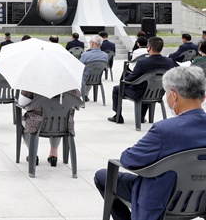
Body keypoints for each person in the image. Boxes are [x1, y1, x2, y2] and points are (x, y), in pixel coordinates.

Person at [95, 66, 206, 220]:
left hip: (162, 199)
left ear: (173, 96)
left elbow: (129, 160)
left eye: (166, 94)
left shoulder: (165, 130)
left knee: (103, 176)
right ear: (204, 96)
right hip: (201, 200)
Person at [109, 37, 177, 124]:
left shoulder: (142, 62)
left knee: (117, 89)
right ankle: (141, 116)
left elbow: (132, 78)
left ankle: (118, 116)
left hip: (139, 93)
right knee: (147, 88)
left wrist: (123, 81)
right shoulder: (169, 62)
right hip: (158, 93)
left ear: (149, 47)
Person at [18, 88, 81, 167]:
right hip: (63, 123)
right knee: (57, 119)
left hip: (37, 123)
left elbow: (22, 103)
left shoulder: (33, 83)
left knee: (24, 121)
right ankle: (53, 154)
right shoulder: (69, 85)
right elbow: (78, 103)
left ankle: (32, 154)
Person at [79, 35, 109, 101]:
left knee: (83, 73)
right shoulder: (105, 55)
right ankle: (86, 94)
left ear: (92, 44)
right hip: (97, 78)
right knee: (90, 72)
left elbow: (79, 66)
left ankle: (78, 95)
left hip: (84, 78)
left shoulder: (85, 54)